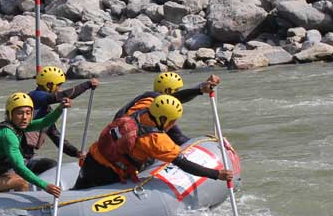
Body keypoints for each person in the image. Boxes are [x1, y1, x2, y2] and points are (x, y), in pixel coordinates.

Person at [73, 95, 232, 190]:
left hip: (91, 159)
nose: (172, 125)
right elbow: (183, 164)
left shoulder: (139, 109)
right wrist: (216, 174)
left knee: (77, 190)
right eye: (172, 121)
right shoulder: (156, 140)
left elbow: (148, 95)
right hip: (109, 174)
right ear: (162, 119)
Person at [0, 92, 72, 197]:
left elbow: (44, 122)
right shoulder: (7, 135)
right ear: (9, 114)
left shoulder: (17, 126)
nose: (25, 117)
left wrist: (60, 109)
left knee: (12, 177)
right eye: (19, 113)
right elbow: (19, 167)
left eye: (28, 113)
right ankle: (25, 211)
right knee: (21, 182)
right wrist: (45, 186)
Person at [23, 66, 99, 174]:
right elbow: (62, 96)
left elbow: (57, 137)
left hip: (27, 157)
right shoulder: (34, 97)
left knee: (51, 165)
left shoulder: (45, 111)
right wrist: (87, 84)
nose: (59, 89)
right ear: (49, 85)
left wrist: (76, 153)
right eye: (58, 85)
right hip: (15, 157)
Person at [113, 72, 221, 145]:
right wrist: (203, 143)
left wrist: (202, 86)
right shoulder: (157, 109)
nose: (179, 92)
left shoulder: (147, 98)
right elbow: (178, 137)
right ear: (168, 91)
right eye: (177, 89)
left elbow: (178, 97)